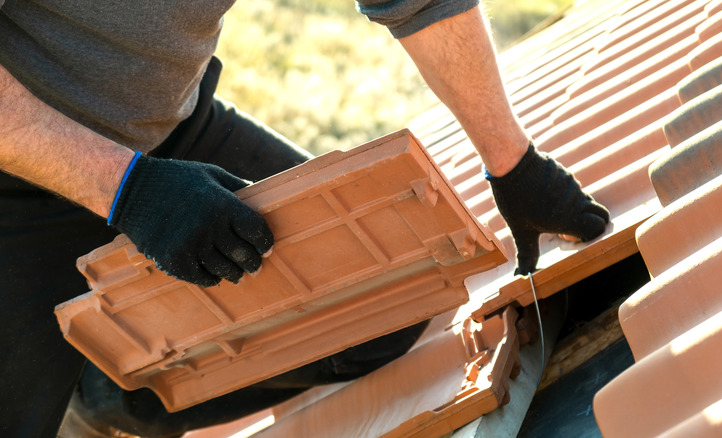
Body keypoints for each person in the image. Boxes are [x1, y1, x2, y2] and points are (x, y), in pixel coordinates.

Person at [0, 0, 609, 436]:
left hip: (169, 129)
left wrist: (513, 163)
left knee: (377, 307)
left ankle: (110, 392)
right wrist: (126, 189)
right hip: (14, 176)